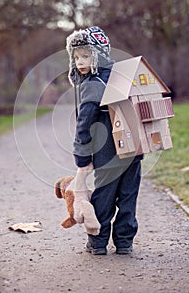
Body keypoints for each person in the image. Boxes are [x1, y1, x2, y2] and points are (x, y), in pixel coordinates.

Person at [66, 26, 143, 255]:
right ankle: (124, 242)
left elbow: (84, 124)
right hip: (133, 146)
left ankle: (98, 243)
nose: (80, 61)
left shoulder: (93, 83)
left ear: (99, 54)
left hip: (107, 151)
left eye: (86, 55)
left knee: (105, 195)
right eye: (76, 56)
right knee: (129, 195)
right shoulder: (124, 76)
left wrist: (82, 155)